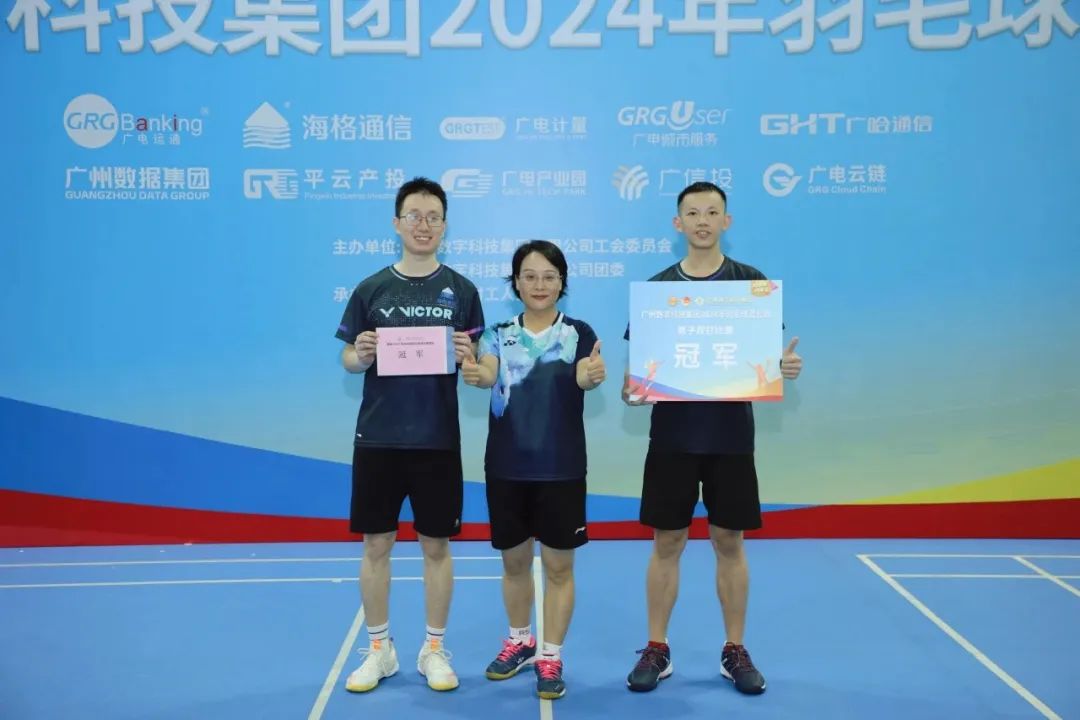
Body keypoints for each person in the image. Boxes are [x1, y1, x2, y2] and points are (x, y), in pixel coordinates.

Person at [621, 181, 803, 695]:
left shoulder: (751, 284)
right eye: (693, 213)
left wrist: (783, 366)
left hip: (730, 439)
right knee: (667, 542)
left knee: (729, 541)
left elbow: (764, 360)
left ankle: (734, 649)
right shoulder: (658, 291)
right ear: (677, 223)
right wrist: (631, 390)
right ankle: (657, 647)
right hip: (672, 440)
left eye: (712, 212)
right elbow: (640, 375)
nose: (702, 221)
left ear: (727, 220)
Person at [335, 177, 485, 694]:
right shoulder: (371, 289)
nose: (424, 225)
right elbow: (348, 358)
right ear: (397, 223)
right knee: (376, 544)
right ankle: (380, 649)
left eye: (433, 217)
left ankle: (434, 649)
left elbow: (478, 363)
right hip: (377, 438)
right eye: (414, 216)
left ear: (445, 226)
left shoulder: (463, 291)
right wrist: (361, 354)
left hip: (436, 440)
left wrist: (470, 358)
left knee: (435, 546)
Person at [460, 240, 606, 700]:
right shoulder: (497, 333)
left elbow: (583, 374)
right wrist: (478, 375)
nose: (539, 284)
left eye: (549, 276)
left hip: (561, 469)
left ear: (562, 282)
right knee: (514, 563)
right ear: (516, 283)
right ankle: (521, 641)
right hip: (507, 469)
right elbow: (488, 372)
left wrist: (589, 376)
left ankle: (551, 654)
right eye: (529, 276)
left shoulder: (578, 332)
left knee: (559, 568)